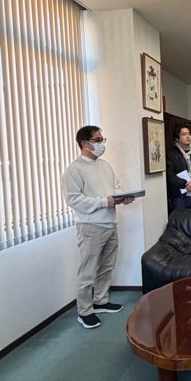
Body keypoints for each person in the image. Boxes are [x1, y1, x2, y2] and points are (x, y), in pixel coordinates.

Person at [62, 125, 134, 329]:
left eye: (103, 139)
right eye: (98, 140)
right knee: (88, 271)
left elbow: (115, 187)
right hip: (90, 226)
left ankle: (101, 301)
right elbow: (73, 199)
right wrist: (104, 201)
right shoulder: (74, 169)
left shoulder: (105, 165)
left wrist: (122, 197)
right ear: (85, 143)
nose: (102, 144)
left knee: (107, 266)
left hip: (110, 223)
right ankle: (84, 311)